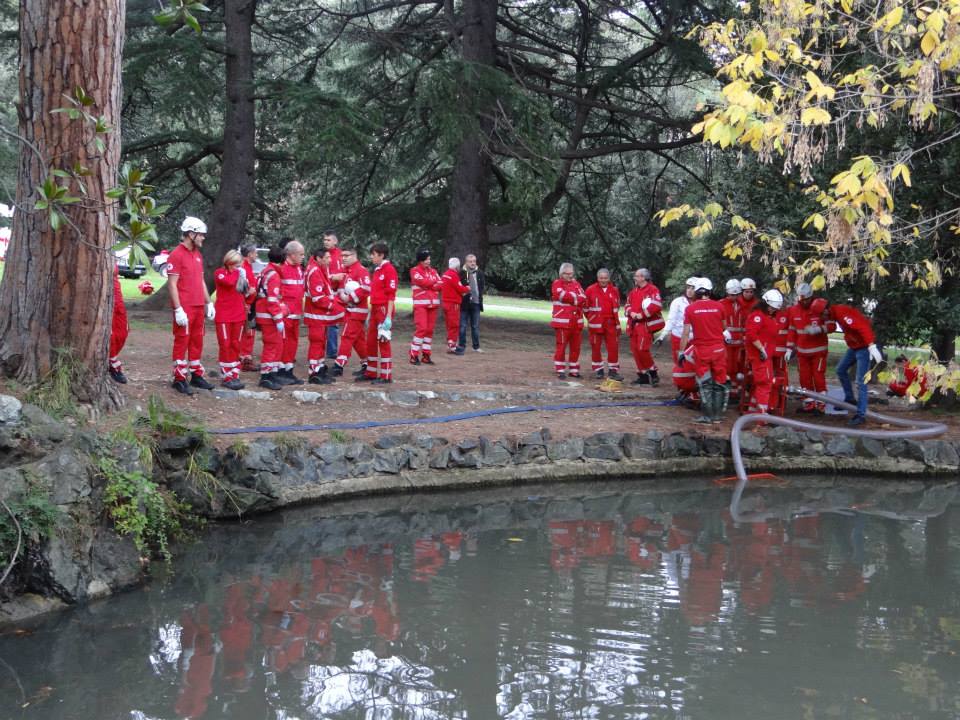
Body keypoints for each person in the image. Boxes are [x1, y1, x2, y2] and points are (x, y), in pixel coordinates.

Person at [167, 216, 215, 395]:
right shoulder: (176, 254)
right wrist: (178, 308)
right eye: (201, 235)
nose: (203, 238)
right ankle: (179, 378)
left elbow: (201, 279)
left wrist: (208, 302)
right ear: (191, 233)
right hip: (185, 306)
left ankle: (196, 375)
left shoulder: (197, 254)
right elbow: (172, 284)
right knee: (182, 341)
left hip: (197, 306)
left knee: (197, 340)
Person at [818, 298, 883, 426]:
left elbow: (863, 327)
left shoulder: (842, 314)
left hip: (864, 348)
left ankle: (861, 414)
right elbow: (831, 326)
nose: (822, 317)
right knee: (840, 370)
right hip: (855, 347)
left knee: (860, 381)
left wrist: (871, 346)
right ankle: (850, 399)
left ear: (826, 310)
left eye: (821, 314)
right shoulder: (834, 314)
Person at [679, 278, 729, 423]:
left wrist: (681, 352)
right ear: (709, 291)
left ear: (697, 291)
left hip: (702, 350)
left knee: (704, 382)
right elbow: (725, 327)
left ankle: (707, 416)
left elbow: (686, 333)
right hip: (719, 349)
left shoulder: (691, 309)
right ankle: (718, 416)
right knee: (719, 382)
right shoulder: (719, 307)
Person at [785, 283, 831, 413]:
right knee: (804, 377)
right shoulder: (793, 311)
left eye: (807, 299)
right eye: (802, 299)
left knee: (818, 377)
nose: (805, 302)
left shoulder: (820, 308)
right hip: (802, 352)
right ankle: (809, 402)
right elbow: (792, 330)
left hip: (818, 351)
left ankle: (821, 403)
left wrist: (819, 329)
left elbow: (832, 326)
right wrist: (789, 348)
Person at [304, 246, 345, 384]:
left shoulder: (320, 269)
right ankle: (314, 372)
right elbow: (318, 298)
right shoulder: (315, 271)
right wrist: (334, 306)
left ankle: (319, 368)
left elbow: (325, 291)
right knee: (317, 343)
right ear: (318, 259)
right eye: (327, 258)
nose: (330, 260)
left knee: (321, 342)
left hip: (320, 316)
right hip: (316, 316)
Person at [360, 243, 398, 383]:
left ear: (381, 255)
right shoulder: (377, 270)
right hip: (375, 308)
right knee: (370, 341)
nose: (371, 257)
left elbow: (391, 295)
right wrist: (371, 313)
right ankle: (370, 372)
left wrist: (388, 316)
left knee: (383, 340)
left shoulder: (389, 270)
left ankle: (386, 375)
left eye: (373, 254)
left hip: (383, 309)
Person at [212, 249, 248, 390]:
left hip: (238, 315)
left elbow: (247, 290)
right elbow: (228, 282)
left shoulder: (239, 273)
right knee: (225, 344)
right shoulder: (219, 273)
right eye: (235, 264)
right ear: (228, 262)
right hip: (224, 315)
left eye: (239, 265)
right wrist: (239, 273)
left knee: (235, 344)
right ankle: (226, 375)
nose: (237, 267)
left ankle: (234, 373)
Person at [744, 289, 782, 415]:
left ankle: (754, 410)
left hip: (766, 356)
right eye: (771, 307)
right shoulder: (758, 316)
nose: (773, 310)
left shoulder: (767, 316)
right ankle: (762, 415)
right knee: (765, 384)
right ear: (765, 303)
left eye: (774, 309)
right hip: (760, 357)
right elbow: (751, 334)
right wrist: (761, 349)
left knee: (763, 383)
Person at [333, 248, 371, 376]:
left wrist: (349, 298)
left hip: (356, 311)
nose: (343, 258)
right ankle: (367, 364)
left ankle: (339, 365)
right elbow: (340, 291)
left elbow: (366, 289)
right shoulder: (345, 272)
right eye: (341, 256)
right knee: (358, 339)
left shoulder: (361, 270)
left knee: (347, 336)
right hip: (349, 310)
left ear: (354, 256)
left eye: (346, 255)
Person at [624, 268, 665, 385]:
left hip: (645, 325)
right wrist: (631, 312)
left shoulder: (652, 289)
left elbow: (656, 305)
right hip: (633, 325)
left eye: (636, 276)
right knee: (635, 350)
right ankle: (642, 376)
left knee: (643, 349)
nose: (635, 278)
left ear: (643, 277)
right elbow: (627, 305)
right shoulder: (634, 291)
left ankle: (653, 372)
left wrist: (641, 315)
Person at [254, 246, 287, 390]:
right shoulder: (274, 275)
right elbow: (272, 301)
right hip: (269, 316)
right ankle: (266, 376)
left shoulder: (265, 271)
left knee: (272, 345)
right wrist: (279, 319)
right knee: (271, 346)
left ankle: (271, 373)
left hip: (264, 313)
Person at [550, 262, 586, 378]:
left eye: (571, 273)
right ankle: (560, 369)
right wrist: (575, 298)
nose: (570, 276)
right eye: (567, 273)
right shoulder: (557, 283)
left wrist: (572, 297)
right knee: (561, 346)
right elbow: (561, 296)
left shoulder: (576, 284)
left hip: (576, 321)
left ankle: (574, 369)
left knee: (576, 347)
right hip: (562, 321)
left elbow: (583, 298)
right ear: (562, 273)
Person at [585, 268, 622, 379]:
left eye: (605, 278)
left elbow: (617, 305)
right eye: (601, 278)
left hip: (611, 323)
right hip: (596, 323)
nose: (603, 280)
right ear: (597, 278)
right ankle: (599, 370)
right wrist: (591, 318)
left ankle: (613, 370)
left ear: (609, 278)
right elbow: (585, 307)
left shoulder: (614, 290)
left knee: (613, 347)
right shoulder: (590, 289)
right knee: (595, 346)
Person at [277, 240, 306, 385]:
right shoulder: (282, 269)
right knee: (284, 343)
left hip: (296, 313)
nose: (303, 257)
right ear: (291, 254)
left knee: (293, 343)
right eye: (300, 254)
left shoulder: (299, 269)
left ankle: (288, 371)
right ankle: (280, 371)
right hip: (286, 314)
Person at [409, 248, 442, 364]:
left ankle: (426, 355)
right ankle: (414, 354)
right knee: (421, 329)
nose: (429, 261)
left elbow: (440, 284)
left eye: (429, 259)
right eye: (427, 259)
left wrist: (429, 283)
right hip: (421, 305)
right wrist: (431, 283)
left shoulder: (433, 271)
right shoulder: (414, 271)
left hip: (433, 305)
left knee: (429, 331)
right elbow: (423, 283)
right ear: (421, 260)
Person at [658, 277, 698, 362]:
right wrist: (662, 335)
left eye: (693, 288)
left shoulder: (700, 303)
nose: (689, 290)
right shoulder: (677, 302)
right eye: (688, 287)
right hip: (678, 337)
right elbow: (671, 320)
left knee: (693, 363)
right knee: (679, 363)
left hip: (695, 339)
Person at [323, 231, 346, 362]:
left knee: (334, 323)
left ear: (335, 241)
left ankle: (332, 351)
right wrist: (332, 277)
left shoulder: (341, 255)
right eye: (325, 240)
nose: (326, 242)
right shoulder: (320, 255)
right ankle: (323, 350)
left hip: (338, 293)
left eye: (328, 240)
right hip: (325, 293)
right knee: (323, 322)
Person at [440, 257, 470, 353]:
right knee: (454, 325)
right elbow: (460, 288)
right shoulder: (453, 275)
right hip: (453, 303)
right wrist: (468, 288)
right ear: (457, 266)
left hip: (445, 302)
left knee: (449, 324)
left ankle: (450, 343)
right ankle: (452, 345)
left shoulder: (445, 275)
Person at [456, 254, 485, 354]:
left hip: (476, 303)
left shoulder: (480, 273)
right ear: (466, 262)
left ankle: (476, 347)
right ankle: (461, 346)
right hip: (464, 304)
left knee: (475, 326)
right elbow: (458, 288)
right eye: (470, 261)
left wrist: (478, 297)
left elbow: (481, 287)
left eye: (474, 261)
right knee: (462, 325)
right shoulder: (461, 273)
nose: (472, 263)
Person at [720, 279, 745, 392]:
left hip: (739, 342)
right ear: (727, 293)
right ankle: (727, 388)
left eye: (736, 295)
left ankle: (736, 389)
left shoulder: (742, 305)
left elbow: (745, 323)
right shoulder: (721, 304)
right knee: (728, 365)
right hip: (726, 341)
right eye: (731, 295)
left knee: (738, 365)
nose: (734, 297)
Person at [238, 244, 260, 372]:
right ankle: (243, 359)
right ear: (250, 254)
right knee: (246, 332)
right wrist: (248, 294)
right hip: (246, 305)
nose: (256, 255)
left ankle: (247, 358)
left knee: (250, 332)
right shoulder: (243, 267)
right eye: (255, 252)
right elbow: (241, 286)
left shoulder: (248, 267)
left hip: (251, 304)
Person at [108, 263, 129, 384]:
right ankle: (113, 363)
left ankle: (112, 359)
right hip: (105, 298)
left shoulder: (110, 250)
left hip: (117, 298)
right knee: (110, 334)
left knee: (123, 332)